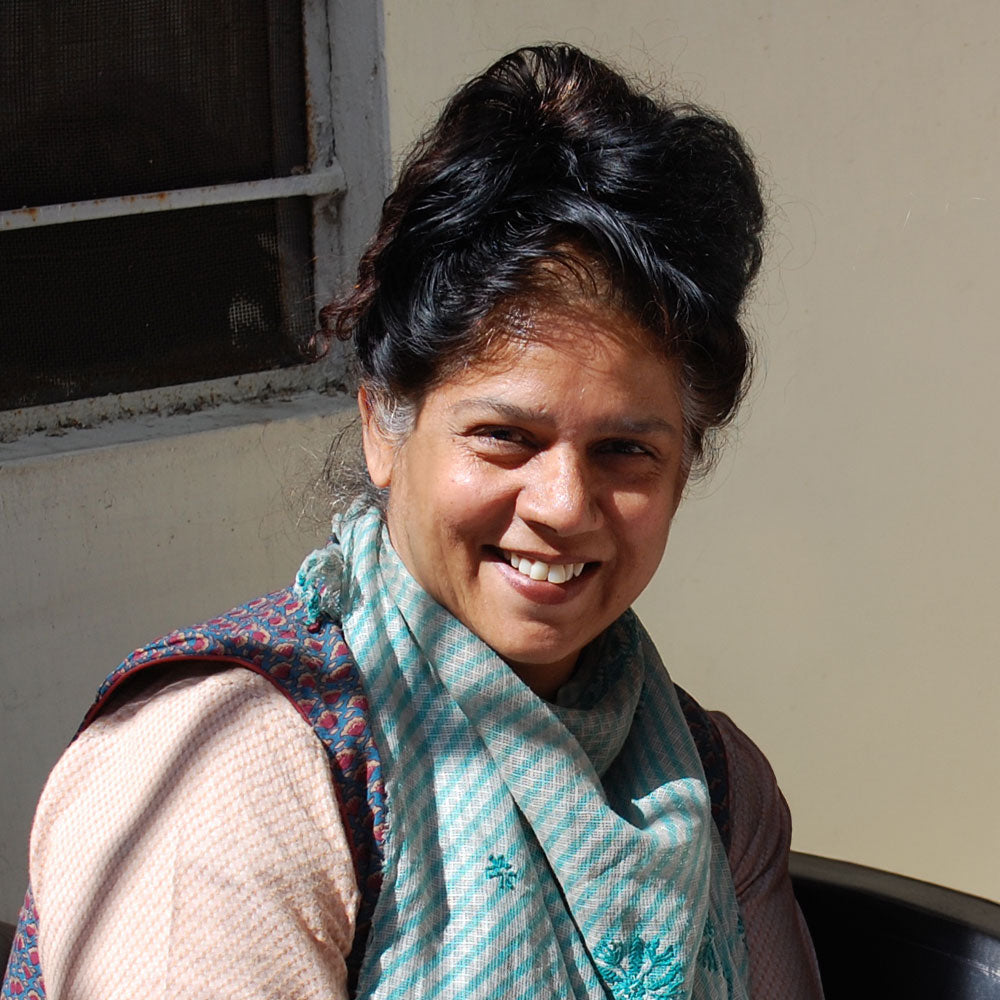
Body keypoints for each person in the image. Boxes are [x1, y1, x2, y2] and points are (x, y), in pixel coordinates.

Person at [2, 44, 823, 1000]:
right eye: (504, 437)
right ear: (385, 430)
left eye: (626, 452)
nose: (562, 506)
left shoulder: (713, 793)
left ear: (683, 468)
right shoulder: (230, 777)